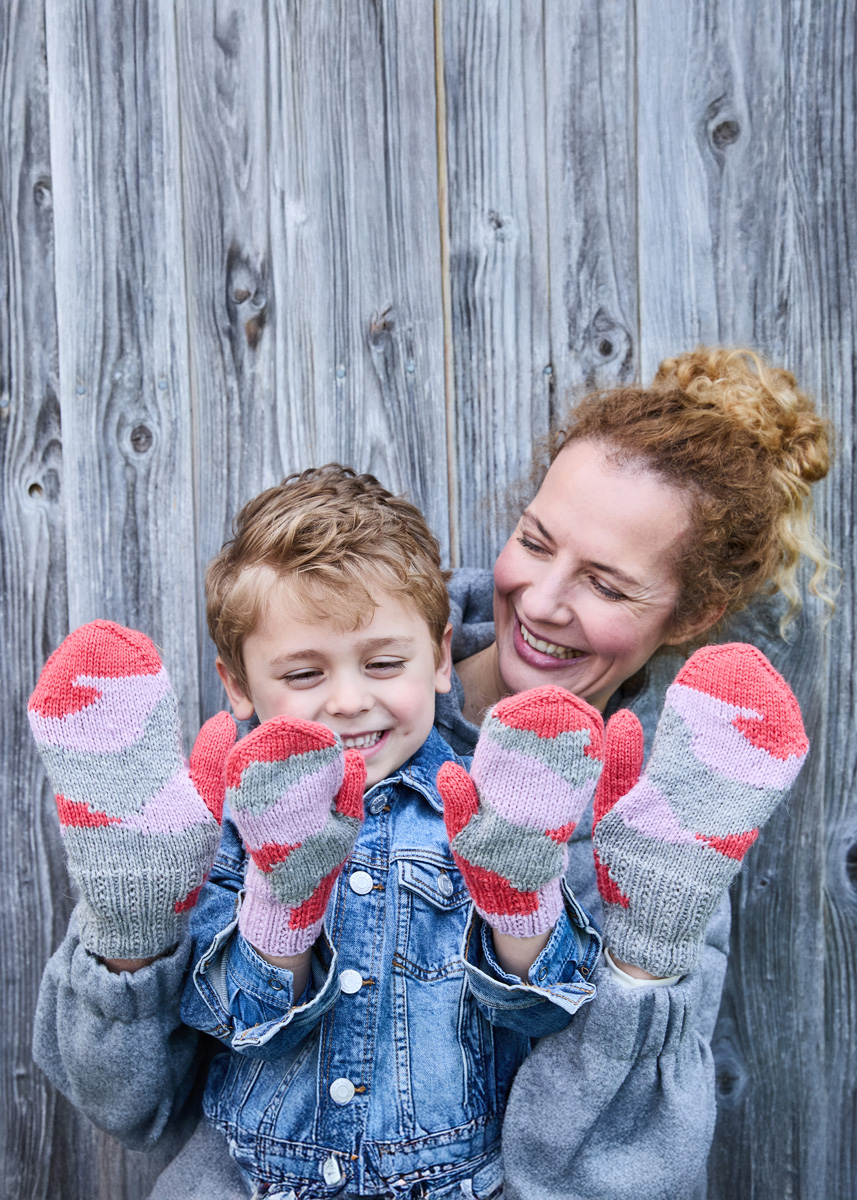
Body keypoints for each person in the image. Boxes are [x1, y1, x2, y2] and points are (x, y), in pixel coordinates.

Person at [27, 346, 831, 1199]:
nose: (544, 600)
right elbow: (132, 1104)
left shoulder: (664, 823)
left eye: (605, 584)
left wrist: (617, 945)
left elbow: (608, 1177)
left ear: (691, 614)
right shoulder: (314, 694)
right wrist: (145, 918)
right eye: (535, 540)